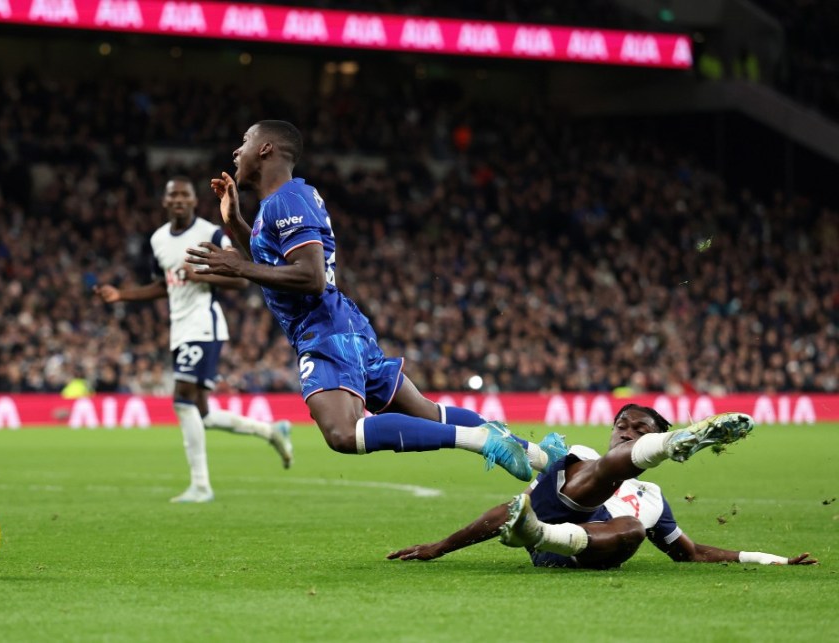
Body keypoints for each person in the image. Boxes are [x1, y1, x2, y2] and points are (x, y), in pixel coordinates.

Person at [185, 120, 563, 480]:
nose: (237, 150)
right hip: (340, 326)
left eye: (246, 141)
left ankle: (483, 439)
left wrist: (238, 268)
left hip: (325, 330)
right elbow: (276, 269)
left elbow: (311, 278)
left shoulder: (288, 199)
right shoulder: (281, 202)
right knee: (429, 414)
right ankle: (545, 458)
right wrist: (234, 222)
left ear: (266, 148)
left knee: (343, 433)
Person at [388, 407, 817, 568]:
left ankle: (538, 534)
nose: (625, 431)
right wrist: (439, 547)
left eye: (638, 429)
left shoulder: (652, 500)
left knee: (631, 527)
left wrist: (773, 560)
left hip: (581, 548)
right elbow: (510, 509)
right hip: (558, 512)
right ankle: (673, 445)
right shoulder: (579, 456)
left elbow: (692, 553)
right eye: (621, 425)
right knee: (592, 465)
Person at [95, 176, 294, 503]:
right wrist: (122, 295)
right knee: (201, 413)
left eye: (184, 195)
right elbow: (164, 285)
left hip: (204, 325)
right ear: (165, 201)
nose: (178, 200)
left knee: (182, 400)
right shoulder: (159, 239)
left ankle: (201, 486)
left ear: (192, 201)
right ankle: (272, 431)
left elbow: (241, 278)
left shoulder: (210, 233)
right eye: (172, 195)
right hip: (180, 329)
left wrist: (199, 274)